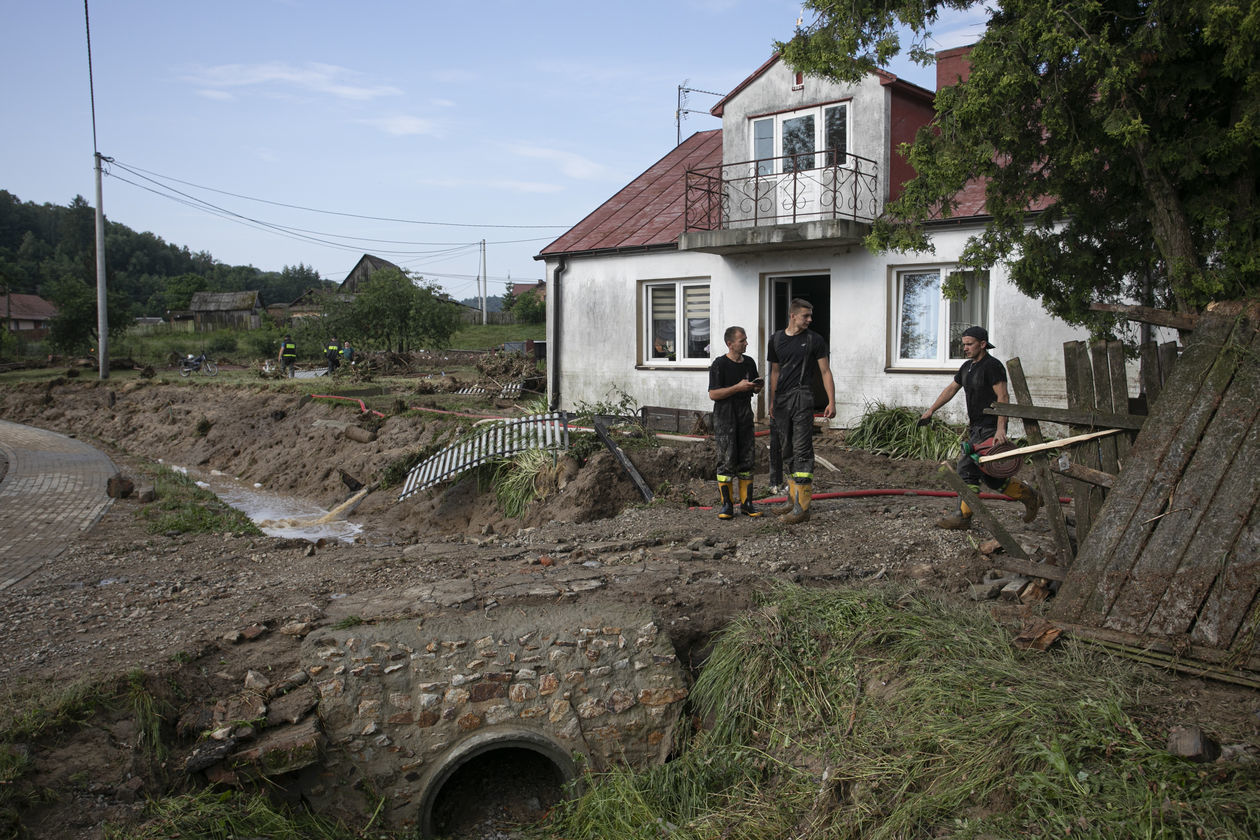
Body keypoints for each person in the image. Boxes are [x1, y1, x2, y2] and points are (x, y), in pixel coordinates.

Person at [920, 325, 1041, 529]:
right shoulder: (967, 367)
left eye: (969, 344)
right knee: (990, 477)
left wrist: (1001, 428)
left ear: (982, 344)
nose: (964, 348)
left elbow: (1003, 396)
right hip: (976, 427)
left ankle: (963, 516)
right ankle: (1029, 496)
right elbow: (951, 389)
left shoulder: (992, 366)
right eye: (963, 344)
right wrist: (931, 410)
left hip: (990, 428)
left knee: (966, 467)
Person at [767, 298, 836, 524]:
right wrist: (772, 400)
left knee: (802, 449)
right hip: (782, 401)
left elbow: (825, 371)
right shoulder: (776, 340)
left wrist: (831, 401)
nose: (810, 320)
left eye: (810, 316)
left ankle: (803, 508)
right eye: (806, 316)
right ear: (793, 316)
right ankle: (792, 499)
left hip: (802, 397)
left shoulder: (814, 340)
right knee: (786, 450)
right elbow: (775, 372)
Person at [707, 326, 764, 519]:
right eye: (742, 340)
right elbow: (713, 394)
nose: (746, 343)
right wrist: (737, 387)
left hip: (745, 413)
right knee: (727, 460)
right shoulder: (719, 364)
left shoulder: (749, 362)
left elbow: (753, 390)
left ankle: (747, 504)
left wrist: (756, 387)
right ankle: (727, 505)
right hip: (725, 415)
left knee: (747, 458)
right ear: (730, 344)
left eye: (746, 339)